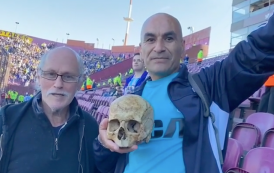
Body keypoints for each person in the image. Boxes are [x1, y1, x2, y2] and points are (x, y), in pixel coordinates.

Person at [93, 13, 274, 173]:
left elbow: (258, 51)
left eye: (168, 38)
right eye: (150, 39)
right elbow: (105, 166)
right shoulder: (128, 102)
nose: (158, 47)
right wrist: (103, 145)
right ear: (141, 48)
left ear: (182, 46)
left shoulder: (209, 86)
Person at [0, 46, 99, 173]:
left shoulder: (91, 129)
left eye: (68, 77)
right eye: (50, 74)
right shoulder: (4, 122)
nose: (58, 84)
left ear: (80, 83)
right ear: (39, 77)